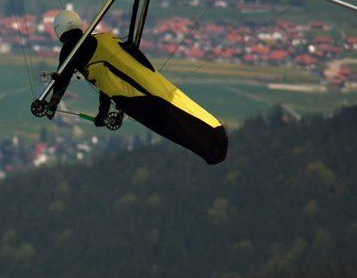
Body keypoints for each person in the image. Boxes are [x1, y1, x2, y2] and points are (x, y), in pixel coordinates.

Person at [42, 9, 228, 165]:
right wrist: (102, 113)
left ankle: (212, 145)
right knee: (178, 109)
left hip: (134, 97)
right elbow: (105, 79)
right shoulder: (104, 39)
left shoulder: (72, 49)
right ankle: (215, 135)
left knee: (170, 122)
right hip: (148, 83)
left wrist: (51, 106)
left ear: (59, 30)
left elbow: (63, 78)